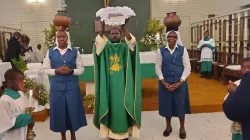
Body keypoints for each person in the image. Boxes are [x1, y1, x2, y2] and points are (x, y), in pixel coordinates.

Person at [93, 19, 141, 140]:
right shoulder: (105, 48)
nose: (114, 35)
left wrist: (124, 27)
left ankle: (124, 133)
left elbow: (132, 43)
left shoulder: (125, 48)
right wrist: (102, 29)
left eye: (117, 33)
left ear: (120, 35)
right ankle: (110, 133)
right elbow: (98, 44)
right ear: (109, 35)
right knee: (110, 105)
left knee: (122, 105)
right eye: (112, 33)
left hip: (124, 84)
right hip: (108, 84)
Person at [42, 29, 87, 140]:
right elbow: (45, 69)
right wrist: (56, 71)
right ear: (56, 38)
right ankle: (63, 136)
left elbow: (81, 69)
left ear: (68, 38)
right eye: (59, 37)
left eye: (63, 37)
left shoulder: (75, 52)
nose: (61, 39)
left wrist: (72, 71)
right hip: (57, 87)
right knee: (60, 111)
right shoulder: (51, 51)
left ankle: (73, 135)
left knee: (72, 110)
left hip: (72, 87)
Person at [155, 30, 191, 139]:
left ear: (176, 38)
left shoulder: (182, 50)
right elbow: (158, 67)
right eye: (169, 37)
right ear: (167, 38)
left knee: (180, 105)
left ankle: (182, 128)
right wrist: (163, 81)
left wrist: (181, 81)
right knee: (167, 105)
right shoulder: (161, 51)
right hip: (165, 83)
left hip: (180, 83)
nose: (171, 38)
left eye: (173, 37)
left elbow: (187, 67)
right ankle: (168, 127)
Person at [0, 69, 34, 140]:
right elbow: (4, 124)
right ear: (10, 83)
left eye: (23, 81)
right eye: (20, 82)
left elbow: (25, 110)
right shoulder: (4, 100)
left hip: (23, 133)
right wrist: (26, 118)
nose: (23, 84)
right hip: (11, 137)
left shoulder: (20, 94)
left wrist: (30, 121)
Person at [223, 57, 250, 140]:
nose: (246, 70)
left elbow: (231, 106)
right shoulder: (239, 82)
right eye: (244, 68)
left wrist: (232, 92)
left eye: (249, 67)